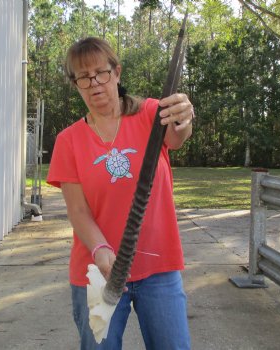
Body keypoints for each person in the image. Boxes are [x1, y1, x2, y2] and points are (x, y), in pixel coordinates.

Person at [47, 37, 194, 350]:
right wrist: (100, 247)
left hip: (159, 268)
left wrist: (182, 118)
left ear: (116, 73)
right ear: (76, 84)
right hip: (98, 273)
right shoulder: (68, 140)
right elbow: (78, 211)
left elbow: (178, 136)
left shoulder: (150, 113)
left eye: (101, 73)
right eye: (83, 77)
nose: (94, 84)